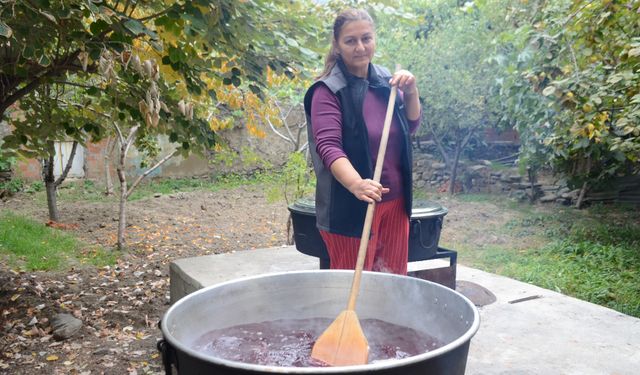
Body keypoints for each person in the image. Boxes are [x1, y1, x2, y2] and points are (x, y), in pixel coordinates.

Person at [303, 8, 422, 275]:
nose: (360, 47)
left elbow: (410, 125)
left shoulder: (385, 82)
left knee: (392, 284)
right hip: (352, 208)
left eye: (366, 38)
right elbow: (328, 147)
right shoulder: (328, 90)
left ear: (375, 39)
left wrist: (411, 92)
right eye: (350, 40)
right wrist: (356, 184)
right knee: (352, 289)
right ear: (337, 45)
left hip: (395, 203)